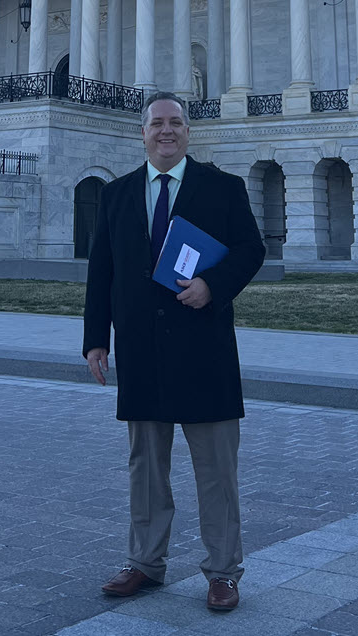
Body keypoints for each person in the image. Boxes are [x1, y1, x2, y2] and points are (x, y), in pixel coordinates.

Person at [83, 92, 265, 613]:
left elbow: (252, 249)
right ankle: (145, 562)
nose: (167, 131)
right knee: (146, 468)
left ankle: (224, 571)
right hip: (142, 352)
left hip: (202, 348)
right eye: (157, 124)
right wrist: (96, 338)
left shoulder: (222, 188)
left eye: (176, 123)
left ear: (188, 131)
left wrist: (212, 284)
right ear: (142, 134)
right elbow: (103, 271)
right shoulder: (117, 194)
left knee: (216, 472)